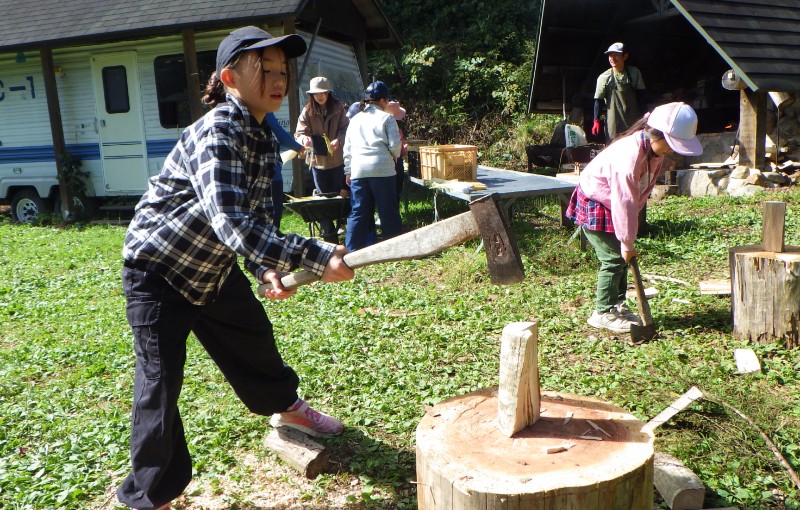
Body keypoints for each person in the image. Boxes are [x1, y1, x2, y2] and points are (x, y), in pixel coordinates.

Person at [117, 27, 354, 510]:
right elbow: (230, 219)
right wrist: (314, 253)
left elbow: (256, 220)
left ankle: (286, 410)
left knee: (252, 339)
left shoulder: (265, 137)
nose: (278, 79)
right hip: (159, 269)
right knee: (159, 382)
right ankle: (146, 497)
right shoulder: (218, 129)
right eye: (264, 69)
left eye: (282, 70)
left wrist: (267, 267)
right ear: (229, 77)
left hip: (212, 268)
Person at [566, 102, 702, 333]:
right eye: (670, 145)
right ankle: (602, 312)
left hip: (614, 202)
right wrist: (627, 242)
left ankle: (617, 305)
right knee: (613, 259)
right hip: (596, 201)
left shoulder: (653, 153)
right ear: (657, 135)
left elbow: (639, 196)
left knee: (621, 259)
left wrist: (628, 236)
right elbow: (624, 200)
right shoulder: (628, 157)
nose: (671, 151)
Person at [343, 81, 403, 252]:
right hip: (383, 169)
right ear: (383, 101)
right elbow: (395, 145)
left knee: (359, 211)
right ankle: (395, 249)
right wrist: (394, 156)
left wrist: (348, 170)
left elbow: (347, 148)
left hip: (359, 170)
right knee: (388, 211)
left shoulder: (354, 120)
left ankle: (352, 251)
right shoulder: (387, 118)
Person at [295, 76, 349, 243]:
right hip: (318, 162)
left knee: (340, 197)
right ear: (312, 95)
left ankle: (342, 224)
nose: (320, 96)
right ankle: (329, 233)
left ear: (328, 93)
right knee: (322, 198)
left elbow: (346, 128)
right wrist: (305, 140)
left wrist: (339, 140)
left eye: (322, 93)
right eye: (316, 93)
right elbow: (299, 133)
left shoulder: (338, 108)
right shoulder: (307, 111)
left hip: (337, 160)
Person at [592, 42, 646, 143]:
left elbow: (641, 97)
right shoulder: (604, 77)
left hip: (633, 119)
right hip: (614, 121)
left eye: (616, 55)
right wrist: (596, 120)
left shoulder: (634, 73)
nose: (612, 58)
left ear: (625, 56)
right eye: (610, 55)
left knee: (634, 144)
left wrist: (645, 116)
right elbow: (598, 101)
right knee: (614, 145)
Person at [264, 112, 304, 231]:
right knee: (274, 215)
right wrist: (298, 147)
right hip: (270, 173)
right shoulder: (263, 110)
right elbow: (278, 132)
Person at [385, 100, 408, 200]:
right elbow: (396, 147)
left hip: (392, 162)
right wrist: (403, 150)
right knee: (393, 194)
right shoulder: (392, 127)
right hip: (392, 163)